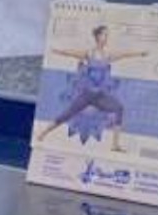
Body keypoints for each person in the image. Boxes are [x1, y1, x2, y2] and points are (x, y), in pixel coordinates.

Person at [38, 25, 147, 153]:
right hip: (87, 95)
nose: (106, 37)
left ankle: (115, 145)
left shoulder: (107, 55)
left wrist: (140, 54)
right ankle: (43, 133)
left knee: (119, 108)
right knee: (66, 114)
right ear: (98, 36)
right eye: (104, 34)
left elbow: (124, 55)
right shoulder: (89, 53)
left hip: (100, 97)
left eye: (107, 35)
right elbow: (71, 53)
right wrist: (57, 51)